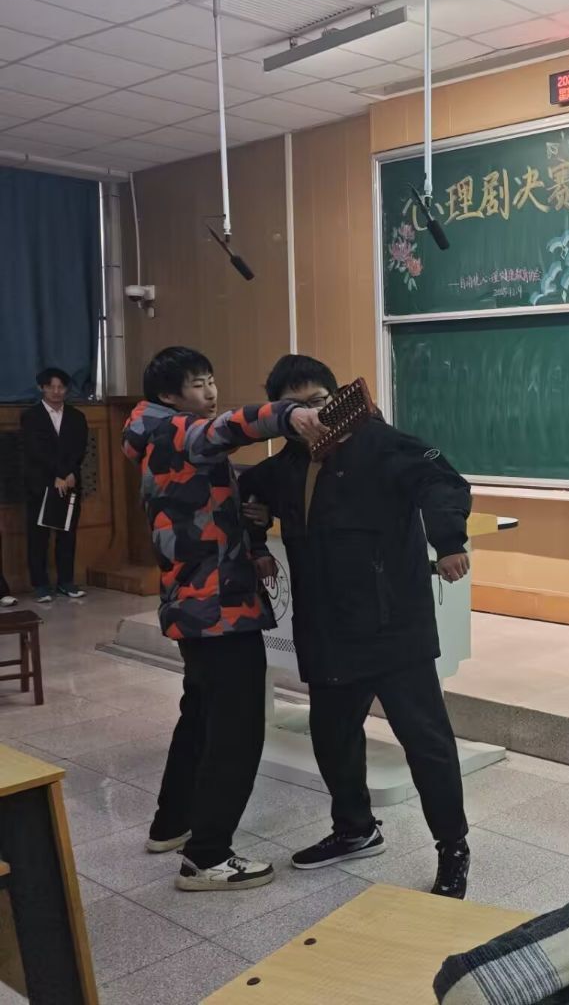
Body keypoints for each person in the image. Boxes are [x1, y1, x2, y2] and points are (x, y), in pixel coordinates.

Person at [238, 355, 475, 899]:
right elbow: (248, 489)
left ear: (338, 396)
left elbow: (442, 481)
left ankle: (453, 847)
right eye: (296, 406)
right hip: (326, 629)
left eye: (319, 400)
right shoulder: (288, 463)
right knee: (333, 736)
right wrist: (255, 538)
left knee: (426, 742)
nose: (312, 413)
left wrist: (449, 541)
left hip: (394, 627)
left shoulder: (382, 443)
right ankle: (355, 829)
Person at [126, 347, 325, 892]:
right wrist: (289, 415)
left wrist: (245, 518)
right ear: (170, 395)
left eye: (211, 380)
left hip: (193, 605)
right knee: (236, 731)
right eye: (197, 384)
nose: (210, 392)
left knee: (199, 716)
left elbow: (201, 500)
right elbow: (229, 427)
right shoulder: (179, 431)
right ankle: (207, 857)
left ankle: (172, 824)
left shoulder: (154, 435)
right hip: (218, 609)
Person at [21, 368, 90, 602]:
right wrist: (57, 475)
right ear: (42, 388)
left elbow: (79, 448)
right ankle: (40, 585)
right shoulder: (31, 416)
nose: (57, 391)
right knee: (38, 537)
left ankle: (66, 582)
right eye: (51, 387)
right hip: (41, 482)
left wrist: (70, 473)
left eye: (61, 387)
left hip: (70, 482)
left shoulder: (77, 416)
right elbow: (35, 451)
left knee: (67, 534)